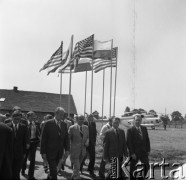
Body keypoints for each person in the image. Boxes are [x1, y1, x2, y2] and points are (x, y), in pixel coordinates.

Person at [40, 107, 70, 180]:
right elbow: (43, 139)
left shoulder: (64, 125)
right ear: (55, 114)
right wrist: (42, 152)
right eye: (60, 115)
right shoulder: (48, 123)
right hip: (50, 152)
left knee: (54, 170)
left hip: (59, 152)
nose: (62, 117)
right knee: (54, 171)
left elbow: (66, 138)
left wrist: (67, 150)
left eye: (63, 115)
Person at [126, 114, 151, 180]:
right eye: (136, 120)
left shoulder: (144, 128)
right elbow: (129, 143)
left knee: (147, 166)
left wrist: (148, 150)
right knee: (133, 168)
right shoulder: (130, 130)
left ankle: (141, 178)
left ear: (141, 121)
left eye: (139, 120)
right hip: (134, 153)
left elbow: (147, 140)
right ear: (134, 120)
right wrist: (132, 153)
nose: (138, 121)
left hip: (144, 152)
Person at [7, 110, 29, 180]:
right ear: (12, 118)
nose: (17, 120)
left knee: (16, 172)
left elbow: (25, 141)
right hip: (9, 154)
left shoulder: (24, 127)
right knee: (9, 172)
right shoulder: (7, 126)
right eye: (15, 119)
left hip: (19, 153)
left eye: (19, 119)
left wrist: (24, 153)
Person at [68, 115, 89, 180]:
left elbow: (88, 137)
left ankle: (73, 177)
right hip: (74, 150)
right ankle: (76, 178)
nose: (82, 120)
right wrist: (67, 150)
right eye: (80, 119)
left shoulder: (86, 127)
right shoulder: (72, 128)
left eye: (83, 119)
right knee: (77, 166)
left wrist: (87, 142)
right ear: (77, 119)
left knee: (77, 166)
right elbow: (68, 139)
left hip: (83, 151)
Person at [21, 111, 41, 180]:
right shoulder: (24, 123)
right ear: (28, 116)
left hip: (34, 143)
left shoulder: (36, 123)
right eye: (32, 116)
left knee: (32, 160)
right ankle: (23, 169)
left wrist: (39, 138)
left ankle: (31, 175)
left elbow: (38, 132)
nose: (34, 117)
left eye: (34, 116)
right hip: (26, 144)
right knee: (25, 158)